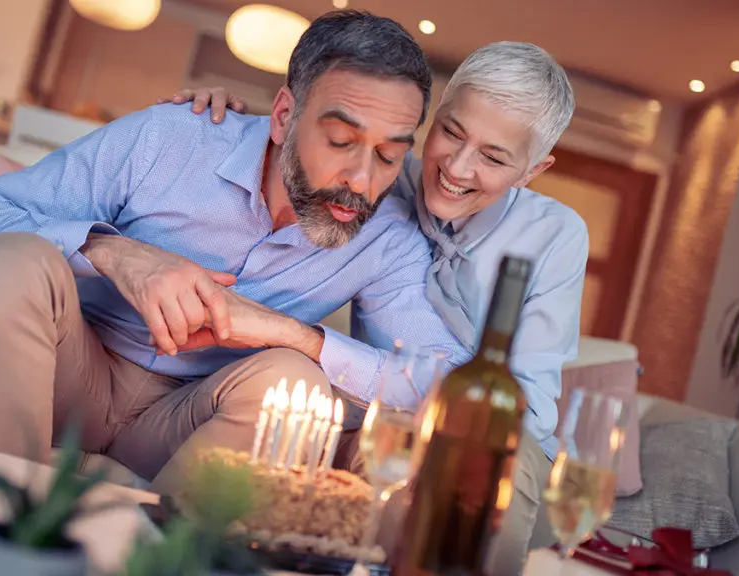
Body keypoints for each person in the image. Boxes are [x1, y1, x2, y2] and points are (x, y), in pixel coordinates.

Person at [0, 10, 468, 498]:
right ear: (283, 116)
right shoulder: (171, 137)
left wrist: (292, 335)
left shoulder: (388, 236)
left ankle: (153, 552)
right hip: (67, 370)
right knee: (7, 263)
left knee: (294, 379)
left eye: (388, 155)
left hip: (188, 418)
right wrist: (114, 252)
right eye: (339, 141)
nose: (361, 179)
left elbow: (447, 392)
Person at [163, 40, 588, 575]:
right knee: (292, 434)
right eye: (451, 132)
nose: (456, 167)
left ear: (532, 170)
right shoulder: (380, 173)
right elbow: (305, 137)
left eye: (494, 157)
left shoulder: (556, 235)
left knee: (479, 468)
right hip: (374, 411)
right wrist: (239, 125)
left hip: (496, 441)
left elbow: (527, 406)